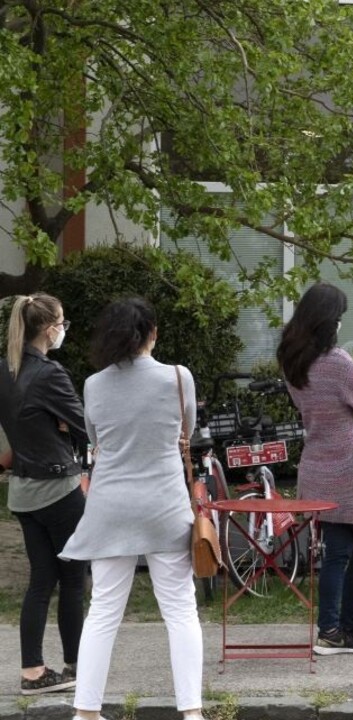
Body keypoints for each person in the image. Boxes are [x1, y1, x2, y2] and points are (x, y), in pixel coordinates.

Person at [59, 298, 202, 720]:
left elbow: (94, 437)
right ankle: (191, 712)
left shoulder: (93, 384)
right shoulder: (178, 378)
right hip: (164, 505)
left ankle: (85, 712)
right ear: (152, 333)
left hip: (109, 507)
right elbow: (186, 431)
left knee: (103, 610)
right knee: (180, 609)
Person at [278, 283, 353, 655]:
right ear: (329, 321)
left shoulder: (292, 359)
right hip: (348, 465)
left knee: (337, 549)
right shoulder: (337, 361)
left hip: (316, 463)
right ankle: (346, 623)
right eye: (339, 317)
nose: (341, 324)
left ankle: (332, 628)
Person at [0, 294, 86, 696]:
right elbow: (87, 426)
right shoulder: (50, 374)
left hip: (21, 490)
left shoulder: (6, 370)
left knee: (40, 581)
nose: (64, 329)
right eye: (63, 322)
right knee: (73, 579)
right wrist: (65, 428)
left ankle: (32, 670)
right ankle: (77, 664)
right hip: (57, 488)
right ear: (50, 328)